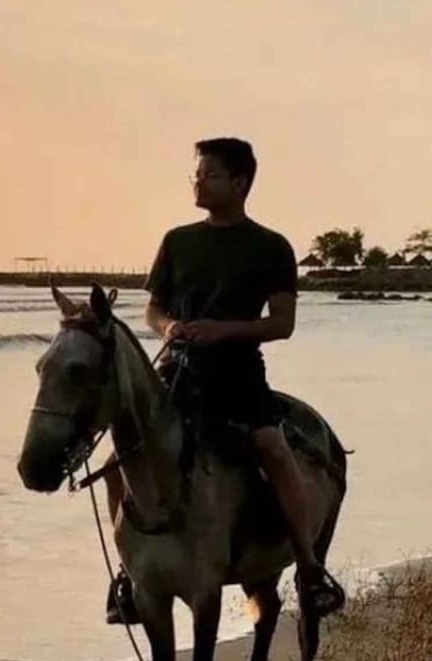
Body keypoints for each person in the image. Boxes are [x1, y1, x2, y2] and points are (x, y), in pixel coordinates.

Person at [105, 137, 345, 624]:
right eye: (195, 175)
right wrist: (168, 327)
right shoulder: (177, 241)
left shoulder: (271, 247)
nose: (198, 182)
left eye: (209, 175)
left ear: (240, 182)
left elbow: (282, 324)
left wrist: (222, 331)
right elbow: (152, 310)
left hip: (237, 374)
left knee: (273, 450)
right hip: (175, 370)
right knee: (115, 462)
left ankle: (309, 567)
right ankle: (128, 574)